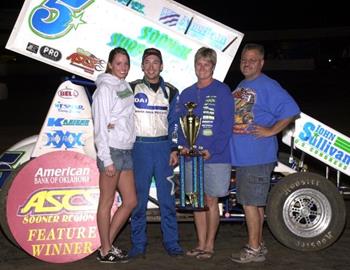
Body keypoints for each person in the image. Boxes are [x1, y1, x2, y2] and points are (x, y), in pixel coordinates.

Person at [230, 43, 300, 263]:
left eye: (252, 59)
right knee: (255, 204)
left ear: (261, 63)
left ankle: (252, 248)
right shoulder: (243, 84)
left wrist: (271, 130)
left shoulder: (267, 85)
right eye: (244, 59)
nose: (247, 63)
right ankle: (258, 246)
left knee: (251, 204)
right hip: (244, 157)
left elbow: (291, 109)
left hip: (256, 156)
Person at [177, 47, 234, 260]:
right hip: (191, 157)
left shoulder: (222, 91)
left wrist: (213, 150)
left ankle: (210, 245)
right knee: (196, 201)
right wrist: (183, 145)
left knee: (211, 200)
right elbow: (181, 124)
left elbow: (226, 125)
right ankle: (200, 243)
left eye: (206, 64)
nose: (202, 68)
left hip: (216, 157)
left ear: (213, 67)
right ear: (194, 66)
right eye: (199, 64)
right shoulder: (187, 93)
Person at [128, 48, 183, 258]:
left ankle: (172, 242)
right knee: (138, 201)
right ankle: (138, 243)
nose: (151, 66)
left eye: (155, 62)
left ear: (161, 66)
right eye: (147, 62)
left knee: (167, 200)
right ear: (142, 66)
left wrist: (174, 148)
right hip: (139, 148)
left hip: (162, 149)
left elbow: (174, 123)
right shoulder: (130, 88)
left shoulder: (170, 91)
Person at [92, 47, 137, 263]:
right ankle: (105, 250)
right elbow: (100, 126)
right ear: (110, 64)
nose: (123, 68)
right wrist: (106, 158)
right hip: (111, 150)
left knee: (130, 201)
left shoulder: (125, 86)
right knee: (107, 201)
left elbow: (126, 117)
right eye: (118, 63)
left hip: (126, 149)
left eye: (126, 64)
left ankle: (105, 246)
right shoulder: (104, 89)